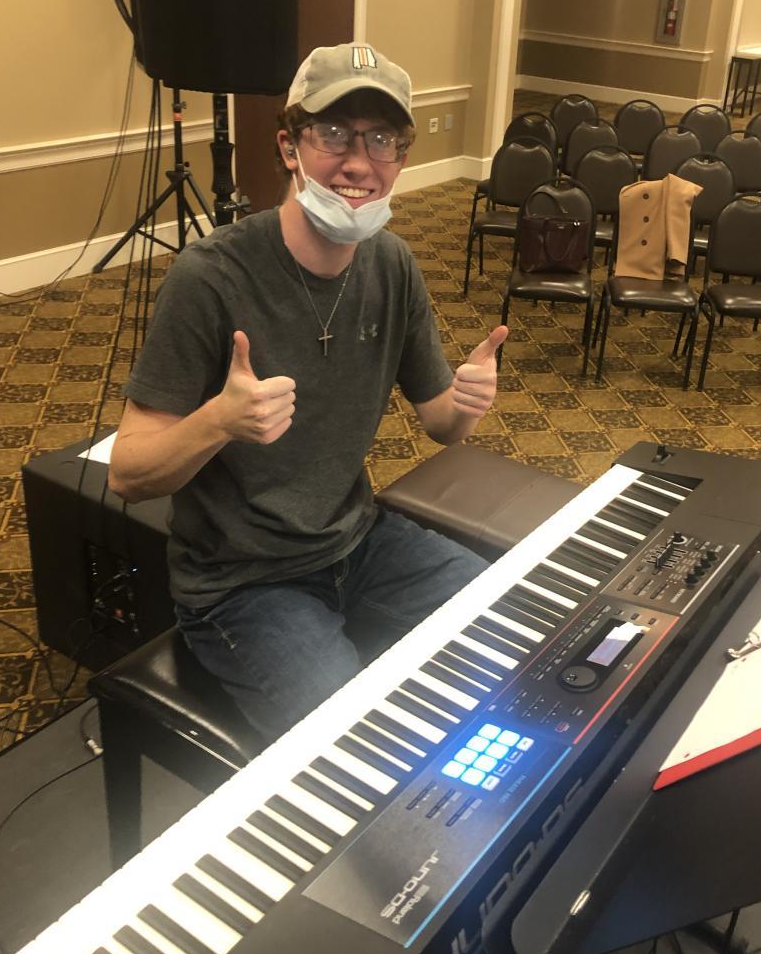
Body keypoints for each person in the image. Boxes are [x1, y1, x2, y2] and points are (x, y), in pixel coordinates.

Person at [108, 42, 509, 743]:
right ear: (290, 147)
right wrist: (219, 421)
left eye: (381, 139)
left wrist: (467, 404)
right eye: (333, 134)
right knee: (352, 742)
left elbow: (441, 425)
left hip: (358, 539)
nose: (359, 162)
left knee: (513, 624)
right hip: (243, 580)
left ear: (401, 157)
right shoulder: (209, 278)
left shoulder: (392, 264)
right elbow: (128, 473)